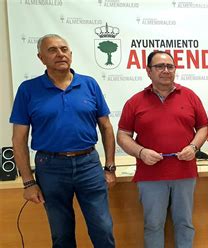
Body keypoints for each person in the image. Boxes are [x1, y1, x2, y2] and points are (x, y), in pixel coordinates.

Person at [10, 34, 116, 247]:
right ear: (41, 57)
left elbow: (106, 127)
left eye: (64, 49)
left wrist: (110, 167)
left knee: (103, 230)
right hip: (50, 168)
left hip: (89, 165)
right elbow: (18, 139)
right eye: (52, 50)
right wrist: (28, 182)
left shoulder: (89, 84)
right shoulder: (28, 89)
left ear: (70, 54)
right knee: (61, 234)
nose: (60, 54)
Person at [116, 51, 208, 248]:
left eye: (170, 66)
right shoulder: (135, 101)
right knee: (153, 225)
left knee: (184, 224)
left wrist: (194, 146)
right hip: (150, 175)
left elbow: (203, 127)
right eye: (159, 67)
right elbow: (122, 136)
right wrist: (141, 152)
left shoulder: (190, 96)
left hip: (184, 172)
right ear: (148, 71)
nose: (166, 71)